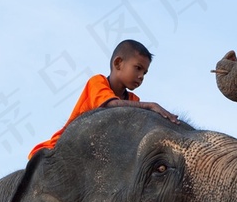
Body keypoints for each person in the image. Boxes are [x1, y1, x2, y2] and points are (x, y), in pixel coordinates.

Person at [28, 40, 179, 159]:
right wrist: (150, 106)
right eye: (137, 68)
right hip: (62, 147)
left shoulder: (133, 99)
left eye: (145, 73)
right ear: (118, 63)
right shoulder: (97, 82)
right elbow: (110, 106)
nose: (141, 76)